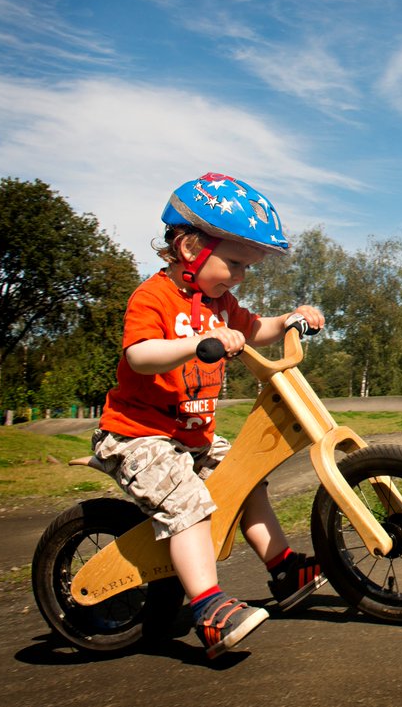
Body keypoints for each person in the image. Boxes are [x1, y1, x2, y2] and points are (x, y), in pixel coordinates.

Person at [93, 172, 327, 659]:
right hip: (139, 436)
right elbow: (140, 355)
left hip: (194, 438)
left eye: (247, 268)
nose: (240, 276)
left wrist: (289, 319)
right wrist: (197, 345)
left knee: (246, 480)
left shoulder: (220, 304)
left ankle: (284, 569)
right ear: (189, 247)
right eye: (235, 263)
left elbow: (256, 328)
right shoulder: (153, 297)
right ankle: (208, 608)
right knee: (187, 501)